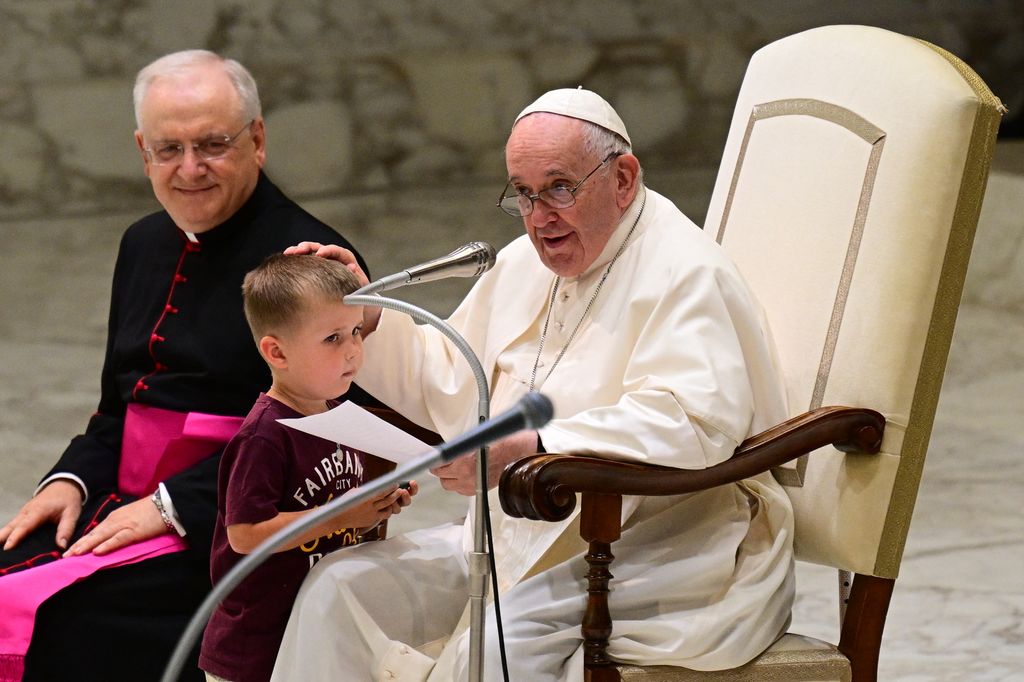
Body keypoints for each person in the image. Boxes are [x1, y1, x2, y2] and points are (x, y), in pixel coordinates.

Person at [271, 88, 796, 681]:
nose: (540, 216)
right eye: (523, 193)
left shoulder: (685, 272)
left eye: (560, 188)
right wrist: (364, 319)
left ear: (623, 179)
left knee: (493, 650)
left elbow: (692, 422)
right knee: (339, 587)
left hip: (657, 546)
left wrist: (533, 449)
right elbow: (452, 374)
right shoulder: (527, 263)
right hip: (519, 533)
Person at [0, 50, 372, 682]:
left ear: (257, 139)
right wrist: (69, 480)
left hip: (226, 528)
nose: (190, 169)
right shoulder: (142, 241)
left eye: (213, 144)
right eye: (168, 149)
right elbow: (118, 406)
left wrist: (171, 504)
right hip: (118, 498)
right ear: (143, 151)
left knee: (67, 617)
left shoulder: (308, 261)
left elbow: (322, 437)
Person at [199, 254, 417, 682]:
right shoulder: (265, 435)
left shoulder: (339, 415)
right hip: (256, 646)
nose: (353, 348)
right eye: (332, 338)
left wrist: (384, 499)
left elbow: (344, 494)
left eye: (355, 331)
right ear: (276, 352)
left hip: (317, 627)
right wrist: (341, 515)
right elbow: (244, 535)